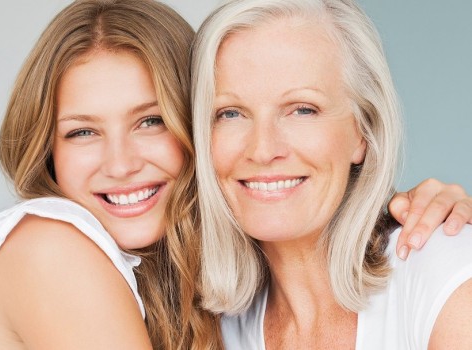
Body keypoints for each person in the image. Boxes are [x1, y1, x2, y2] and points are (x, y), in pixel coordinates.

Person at [0, 0, 472, 349]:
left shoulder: (213, 301)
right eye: (81, 131)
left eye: (151, 121)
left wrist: (392, 206)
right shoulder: (50, 249)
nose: (120, 164)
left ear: (364, 133)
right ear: (47, 153)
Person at [191, 0, 472, 348]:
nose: (263, 149)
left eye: (302, 110)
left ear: (362, 132)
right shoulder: (216, 327)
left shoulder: (445, 274)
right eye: (230, 113)